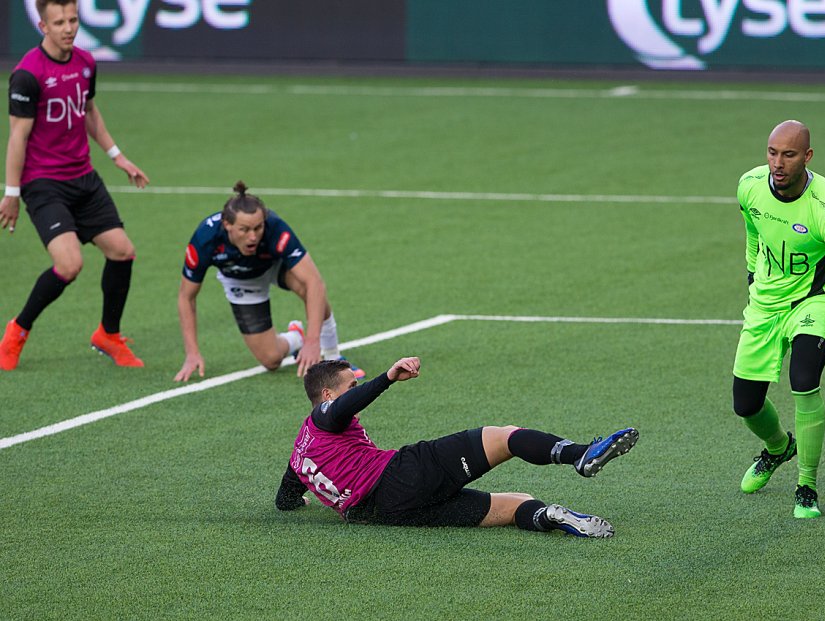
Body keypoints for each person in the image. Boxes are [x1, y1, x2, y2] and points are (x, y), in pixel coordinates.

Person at [274, 357, 639, 537]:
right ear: (326, 396)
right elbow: (343, 406)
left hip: (382, 515)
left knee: (514, 506)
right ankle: (580, 456)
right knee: (503, 436)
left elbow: (285, 497)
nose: (354, 390)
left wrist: (297, 501)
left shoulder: (299, 452)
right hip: (401, 477)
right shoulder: (325, 414)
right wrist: (386, 378)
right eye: (349, 385)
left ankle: (554, 517)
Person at [732, 120, 825, 519]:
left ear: (807, 156)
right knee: (746, 405)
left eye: (788, 155)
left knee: (803, 380)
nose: (777, 164)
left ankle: (807, 485)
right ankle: (778, 447)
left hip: (813, 301)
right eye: (772, 153)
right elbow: (754, 229)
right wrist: (752, 273)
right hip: (766, 304)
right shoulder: (749, 185)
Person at [0, 0, 151, 370]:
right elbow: (17, 137)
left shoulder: (86, 62)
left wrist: (117, 155)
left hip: (83, 177)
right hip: (43, 183)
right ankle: (16, 331)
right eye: (59, 22)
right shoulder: (27, 75)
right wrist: (12, 193)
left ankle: (108, 335)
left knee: (122, 251)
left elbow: (89, 112)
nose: (68, 28)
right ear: (42, 26)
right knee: (69, 265)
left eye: (73, 19)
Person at [174, 181, 363, 381]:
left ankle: (334, 357)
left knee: (309, 289)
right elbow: (186, 297)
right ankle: (295, 337)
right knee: (271, 360)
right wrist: (192, 353)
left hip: (274, 266)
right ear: (227, 224)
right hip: (240, 279)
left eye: (258, 228)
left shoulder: (276, 228)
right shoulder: (205, 239)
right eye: (244, 229)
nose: (253, 236)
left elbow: (315, 282)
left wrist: (313, 341)